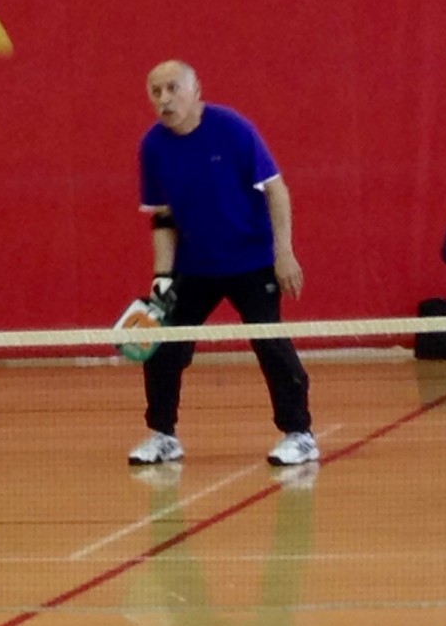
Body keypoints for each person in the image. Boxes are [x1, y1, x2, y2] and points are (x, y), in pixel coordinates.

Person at [127, 60, 317, 468]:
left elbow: (276, 190)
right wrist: (161, 278)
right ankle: (163, 435)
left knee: (269, 342)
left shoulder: (232, 129)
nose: (164, 99)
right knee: (163, 344)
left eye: (172, 88)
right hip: (194, 265)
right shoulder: (153, 146)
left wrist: (283, 252)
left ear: (196, 90)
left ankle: (299, 434)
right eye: (156, 92)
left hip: (251, 259)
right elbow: (162, 217)